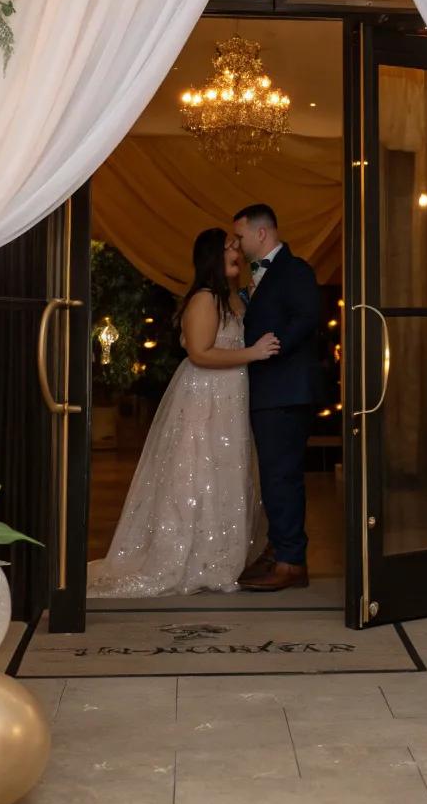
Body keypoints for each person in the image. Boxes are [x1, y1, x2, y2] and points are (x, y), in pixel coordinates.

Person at [87, 228, 279, 598]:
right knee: (197, 471)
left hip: (231, 396)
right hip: (206, 396)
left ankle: (220, 556)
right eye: (230, 247)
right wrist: (253, 353)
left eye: (237, 246)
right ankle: (191, 557)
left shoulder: (234, 298)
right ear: (212, 256)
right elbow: (200, 353)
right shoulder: (204, 299)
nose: (238, 252)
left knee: (225, 471)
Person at [233, 203, 323, 592]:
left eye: (240, 236)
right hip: (269, 391)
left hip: (286, 389)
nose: (237, 244)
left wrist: (271, 348)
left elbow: (307, 317)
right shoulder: (254, 276)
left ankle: (291, 563)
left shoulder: (295, 270)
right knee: (273, 477)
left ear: (261, 233)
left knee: (281, 477)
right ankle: (279, 549)